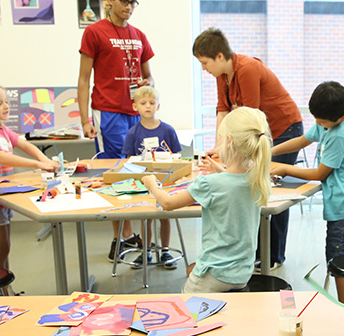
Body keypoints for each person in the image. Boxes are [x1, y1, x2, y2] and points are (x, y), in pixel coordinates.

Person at [193, 27, 303, 270]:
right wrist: (219, 147)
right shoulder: (223, 76)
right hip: (259, 129)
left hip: (283, 130)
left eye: (204, 62)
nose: (204, 69)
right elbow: (223, 112)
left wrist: (228, 150)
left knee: (269, 187)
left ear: (220, 56)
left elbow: (249, 118)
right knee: (251, 185)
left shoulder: (247, 69)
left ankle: (273, 254)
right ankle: (257, 251)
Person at [141, 107, 271, 293]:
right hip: (241, 274)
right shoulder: (257, 179)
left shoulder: (210, 184)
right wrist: (222, 171)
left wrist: (152, 183)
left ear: (228, 141)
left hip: (214, 273)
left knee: (188, 308)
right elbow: (233, 184)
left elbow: (168, 203)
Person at [77, 0, 153, 260]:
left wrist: (149, 91)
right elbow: (84, 79)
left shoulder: (139, 35)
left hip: (136, 114)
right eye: (124, 0)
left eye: (133, 2)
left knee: (139, 171)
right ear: (110, 0)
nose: (129, 7)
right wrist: (85, 119)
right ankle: (119, 237)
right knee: (116, 172)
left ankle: (133, 235)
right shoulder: (95, 33)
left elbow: (150, 76)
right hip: (107, 112)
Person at [269, 81, 344, 306]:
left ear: (340, 118)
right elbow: (303, 140)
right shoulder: (326, 124)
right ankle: (342, 309)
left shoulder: (340, 134)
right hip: (341, 204)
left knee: (341, 263)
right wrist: (271, 150)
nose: (318, 125)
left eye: (322, 122)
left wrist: (284, 168)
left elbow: (321, 173)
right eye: (316, 120)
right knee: (335, 257)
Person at [0, 81, 58, 270]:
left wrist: (45, 160)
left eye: (6, 101)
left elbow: (25, 145)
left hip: (1, 196)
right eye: (0, 103)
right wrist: (37, 164)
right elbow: (3, 157)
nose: (6, 106)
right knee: (1, 249)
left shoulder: (1, 129)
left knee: (4, 248)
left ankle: (4, 285)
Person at [121, 86, 181, 269]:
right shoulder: (133, 133)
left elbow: (178, 157)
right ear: (135, 107)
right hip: (142, 183)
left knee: (165, 215)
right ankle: (146, 251)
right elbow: (128, 161)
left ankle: (165, 250)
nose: (148, 106)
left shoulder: (168, 130)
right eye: (143, 103)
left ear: (158, 106)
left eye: (152, 103)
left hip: (165, 181)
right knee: (145, 217)